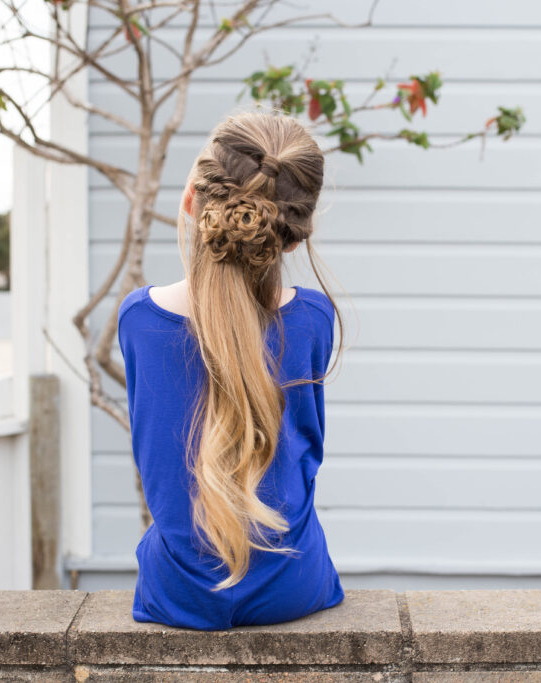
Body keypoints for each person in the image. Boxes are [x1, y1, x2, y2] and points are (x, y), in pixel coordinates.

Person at [116, 109, 346, 630]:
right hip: (294, 585)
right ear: (293, 237)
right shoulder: (312, 318)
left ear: (192, 202)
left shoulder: (139, 318)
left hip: (180, 594)